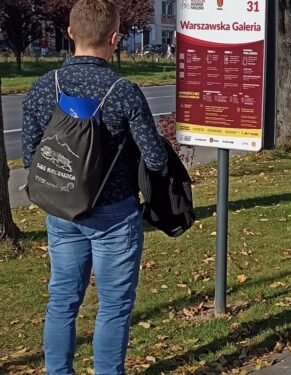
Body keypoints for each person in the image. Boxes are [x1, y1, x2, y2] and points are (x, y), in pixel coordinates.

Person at [21, 0, 168, 373]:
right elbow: (156, 159)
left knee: (62, 302)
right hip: (115, 216)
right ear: (114, 38)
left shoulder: (41, 88)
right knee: (114, 306)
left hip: (62, 212)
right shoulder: (123, 91)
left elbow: (30, 158)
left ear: (70, 33)